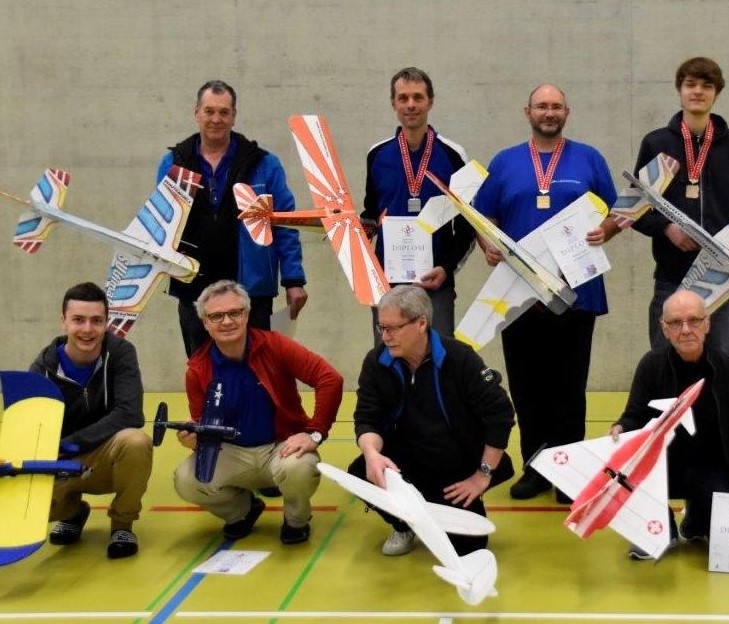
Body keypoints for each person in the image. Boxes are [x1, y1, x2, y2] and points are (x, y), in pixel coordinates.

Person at [472, 83, 620, 502]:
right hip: (517, 293)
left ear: (567, 112)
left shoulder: (589, 158)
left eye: (556, 106)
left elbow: (617, 211)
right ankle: (536, 468)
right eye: (542, 106)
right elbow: (483, 218)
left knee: (569, 388)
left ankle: (569, 474)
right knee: (527, 387)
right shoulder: (505, 163)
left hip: (577, 292)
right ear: (528, 112)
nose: (549, 112)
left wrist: (604, 230)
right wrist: (487, 245)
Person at [173, 280, 343, 545]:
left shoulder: (276, 345)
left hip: (280, 447)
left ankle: (296, 520)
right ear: (205, 322)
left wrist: (315, 434)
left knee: (298, 468)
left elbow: (329, 378)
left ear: (247, 315)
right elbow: (202, 423)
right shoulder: (197, 368)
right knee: (186, 480)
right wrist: (194, 439)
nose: (227, 321)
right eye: (216, 316)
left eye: (235, 313)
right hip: (233, 452)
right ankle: (241, 512)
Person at [350, 285, 514, 556]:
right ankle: (403, 524)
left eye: (393, 328)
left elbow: (501, 415)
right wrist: (371, 454)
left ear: (421, 323)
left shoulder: (461, 358)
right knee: (361, 473)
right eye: (382, 328)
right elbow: (368, 416)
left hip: (456, 465)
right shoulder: (376, 361)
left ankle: (435, 510)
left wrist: (481, 475)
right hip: (407, 460)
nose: (386, 337)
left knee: (468, 549)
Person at [157, 80, 308, 357]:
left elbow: (285, 225)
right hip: (193, 288)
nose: (216, 119)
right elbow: (160, 225)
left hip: (252, 288)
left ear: (234, 116)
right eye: (209, 111)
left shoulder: (264, 164)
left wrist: (293, 280)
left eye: (224, 112)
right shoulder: (174, 164)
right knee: (201, 372)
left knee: (258, 371)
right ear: (196, 113)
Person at [612, 289, 729, 560]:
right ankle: (660, 529)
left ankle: (696, 521)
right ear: (664, 329)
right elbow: (633, 415)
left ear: (707, 324)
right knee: (623, 471)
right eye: (675, 323)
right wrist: (620, 428)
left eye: (694, 320)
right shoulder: (650, 366)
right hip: (659, 467)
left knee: (713, 514)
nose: (685, 329)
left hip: (711, 466)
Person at [632, 57, 729, 355]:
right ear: (679, 90)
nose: (697, 91)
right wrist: (666, 228)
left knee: (721, 363)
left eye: (706, 85)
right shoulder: (656, 142)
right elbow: (635, 209)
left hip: (720, 278)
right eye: (690, 84)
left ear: (716, 93)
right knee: (664, 363)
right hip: (670, 278)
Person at [30, 282, 152, 559]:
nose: (88, 329)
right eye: (78, 320)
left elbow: (131, 413)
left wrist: (74, 443)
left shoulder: (121, 353)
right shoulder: (43, 367)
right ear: (63, 322)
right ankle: (73, 512)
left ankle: (122, 525)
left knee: (136, 441)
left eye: (97, 321)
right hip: (61, 459)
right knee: (30, 507)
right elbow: (32, 428)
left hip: (104, 456)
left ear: (106, 322)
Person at [362, 67, 475, 342]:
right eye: (403, 98)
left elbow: (467, 225)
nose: (410, 105)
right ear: (393, 104)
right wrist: (360, 231)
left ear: (430, 102)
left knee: (437, 364)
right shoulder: (377, 155)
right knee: (389, 364)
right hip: (388, 285)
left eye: (418, 97)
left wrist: (446, 268)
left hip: (435, 283)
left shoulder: (453, 154)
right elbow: (371, 213)